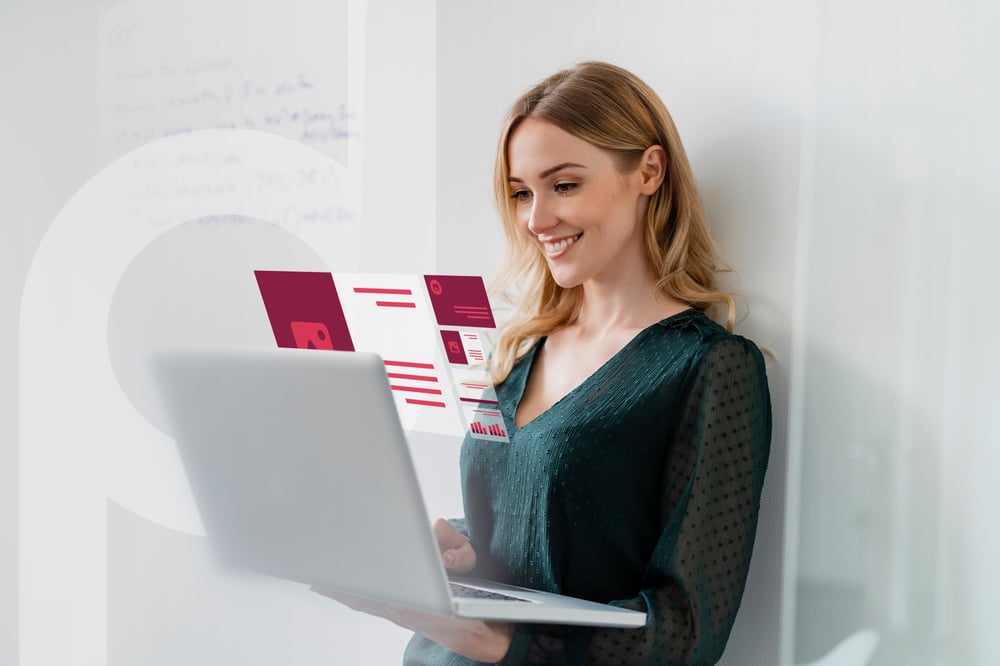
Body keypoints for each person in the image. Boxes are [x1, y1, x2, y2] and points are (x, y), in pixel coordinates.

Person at [333, 61, 771, 665]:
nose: (536, 219)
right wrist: (458, 545)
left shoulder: (709, 368)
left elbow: (686, 629)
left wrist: (501, 643)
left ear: (649, 170)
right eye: (521, 193)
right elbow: (543, 527)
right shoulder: (518, 352)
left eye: (564, 185)